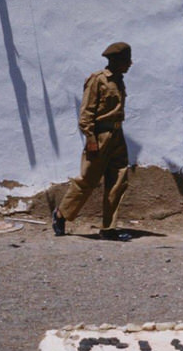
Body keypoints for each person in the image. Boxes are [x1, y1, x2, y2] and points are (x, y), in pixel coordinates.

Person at [53, 42, 133, 239]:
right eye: (126, 60)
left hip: (117, 136)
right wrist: (90, 138)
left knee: (118, 181)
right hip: (100, 136)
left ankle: (109, 228)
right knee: (88, 179)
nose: (130, 64)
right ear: (115, 61)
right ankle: (61, 213)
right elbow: (86, 112)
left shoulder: (119, 80)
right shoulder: (97, 80)